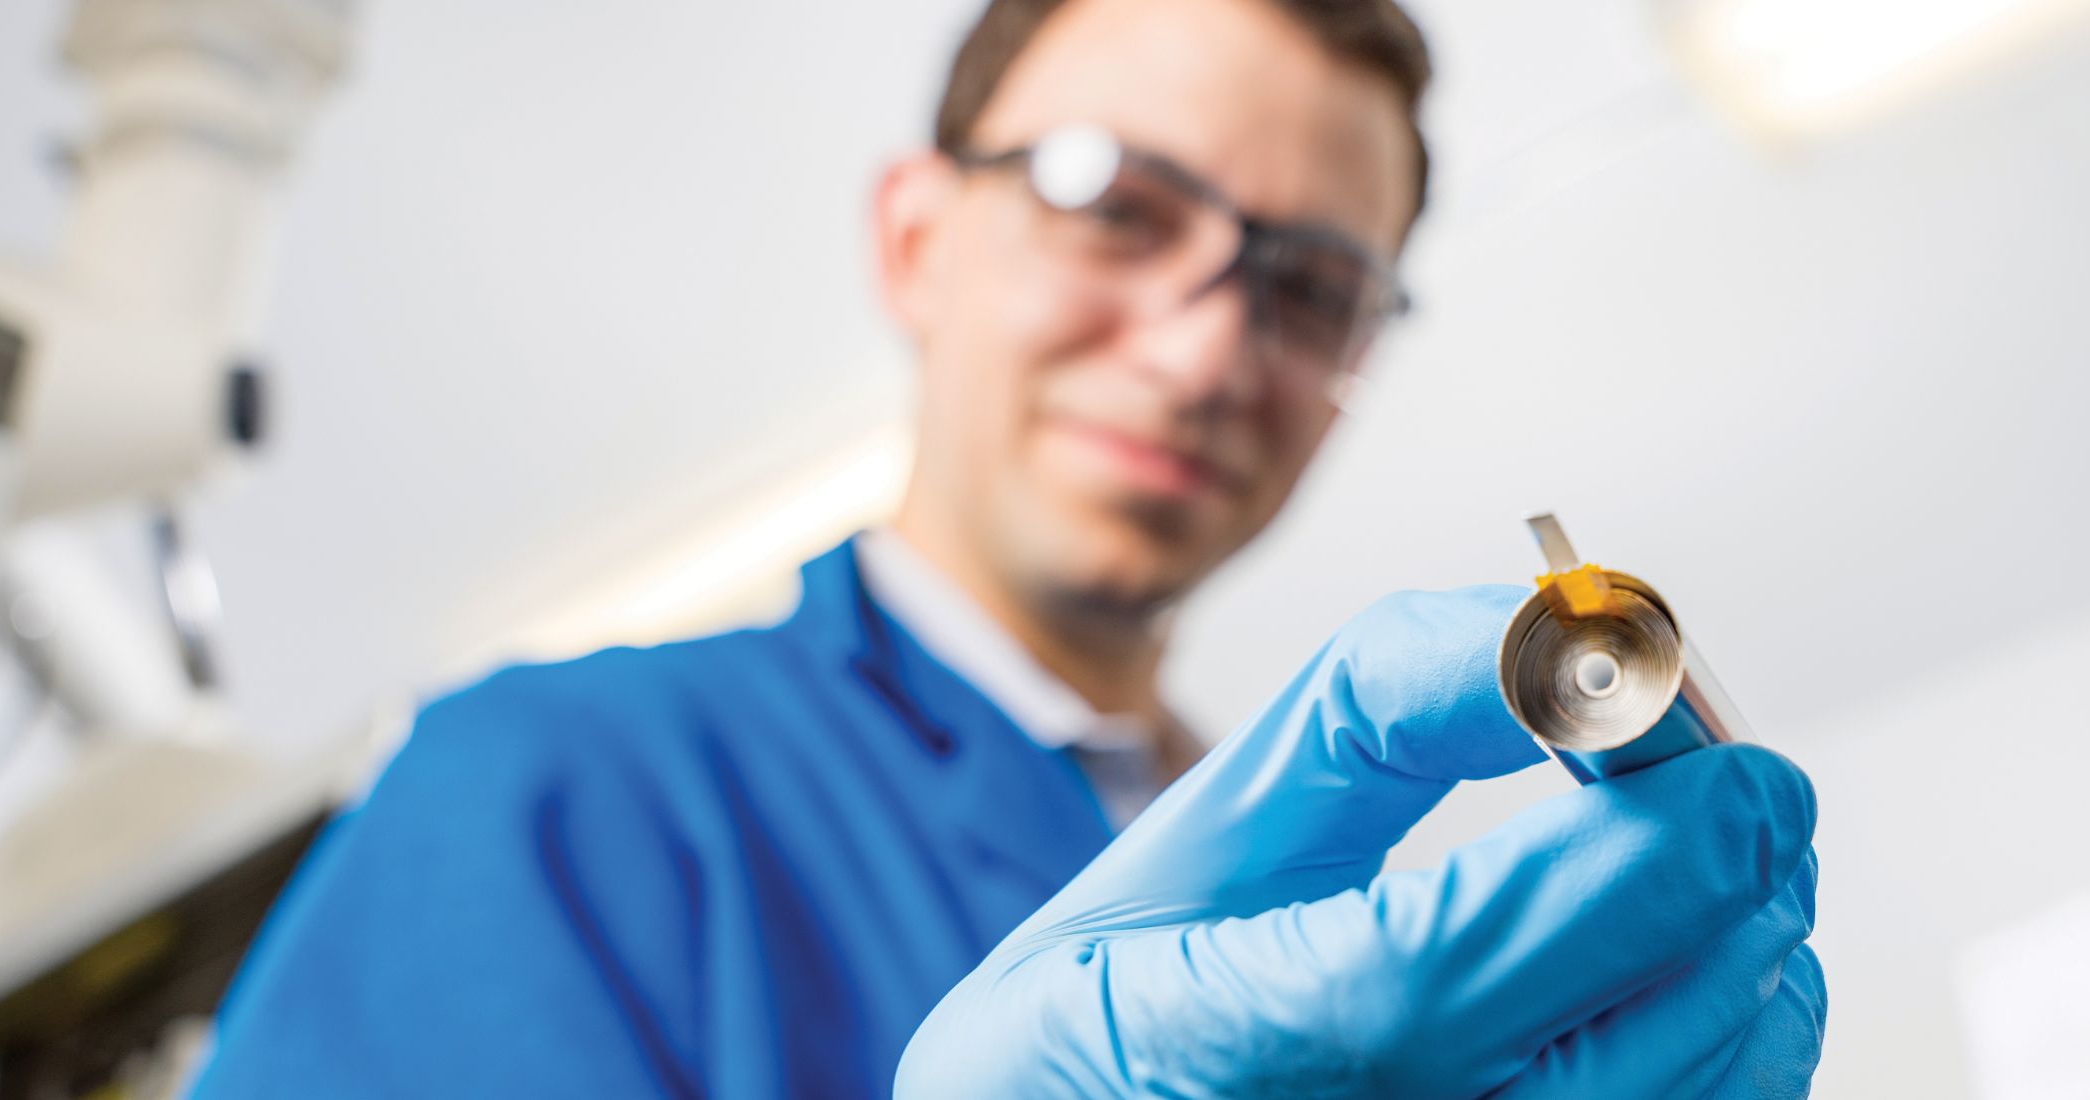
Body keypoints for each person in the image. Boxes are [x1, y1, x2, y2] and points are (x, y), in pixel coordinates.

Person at [193, 0, 1824, 1096]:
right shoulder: (550, 785)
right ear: (916, 240)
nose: (1202, 351)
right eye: (1113, 204)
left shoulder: (1341, 922)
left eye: (1313, 289)